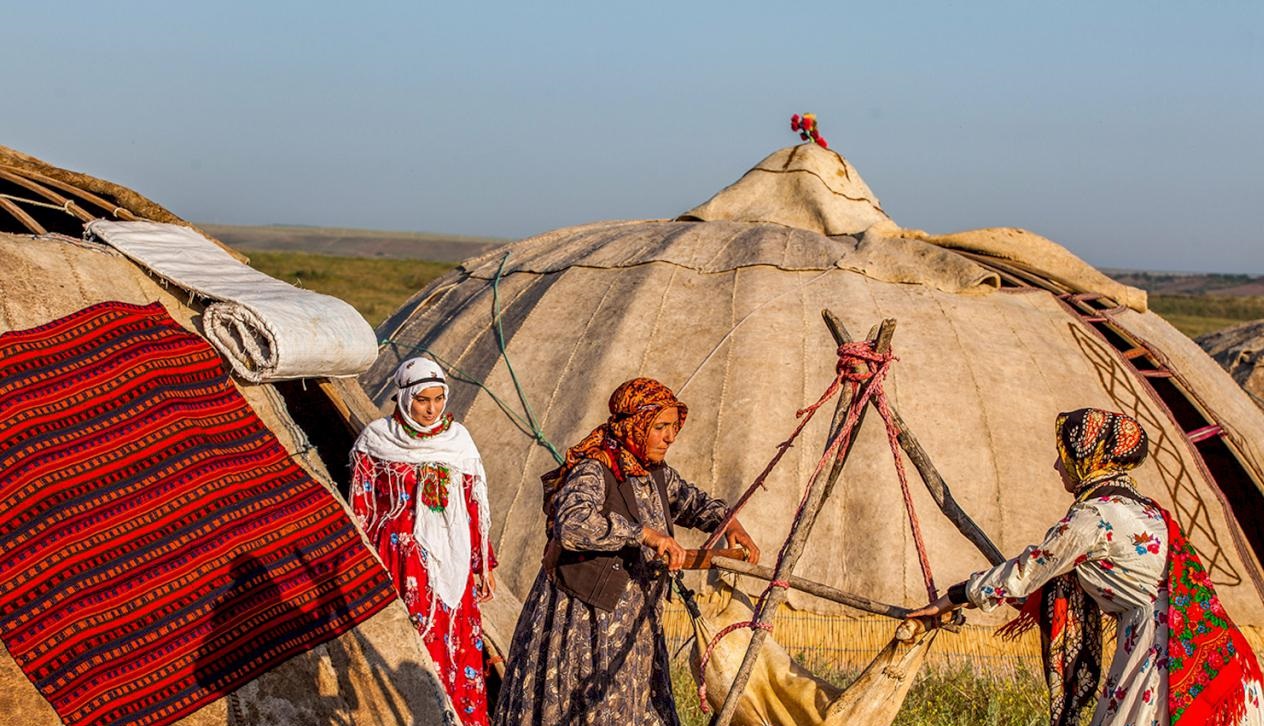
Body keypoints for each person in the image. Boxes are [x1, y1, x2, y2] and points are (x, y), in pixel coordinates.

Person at [908, 408, 1263, 725]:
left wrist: (953, 597)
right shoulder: (1145, 508)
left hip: (1160, 648)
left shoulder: (1095, 517)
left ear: (1088, 459)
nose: (1057, 466)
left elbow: (1029, 570)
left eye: (1063, 456)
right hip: (1208, 648)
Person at [493, 377, 759, 726]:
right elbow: (572, 524)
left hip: (635, 618)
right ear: (635, 426)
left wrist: (729, 523)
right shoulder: (595, 469)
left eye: (673, 427)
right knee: (591, 708)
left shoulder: (656, 473)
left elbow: (694, 503)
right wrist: (643, 535)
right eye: (660, 427)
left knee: (633, 707)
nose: (670, 437)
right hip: (586, 619)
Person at [350, 357, 496, 726]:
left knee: (453, 640)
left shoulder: (458, 441)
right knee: (406, 639)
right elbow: (362, 506)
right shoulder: (377, 439)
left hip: (452, 561)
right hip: (397, 559)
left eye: (437, 399)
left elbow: (473, 506)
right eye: (422, 400)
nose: (431, 409)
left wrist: (482, 564)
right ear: (404, 398)